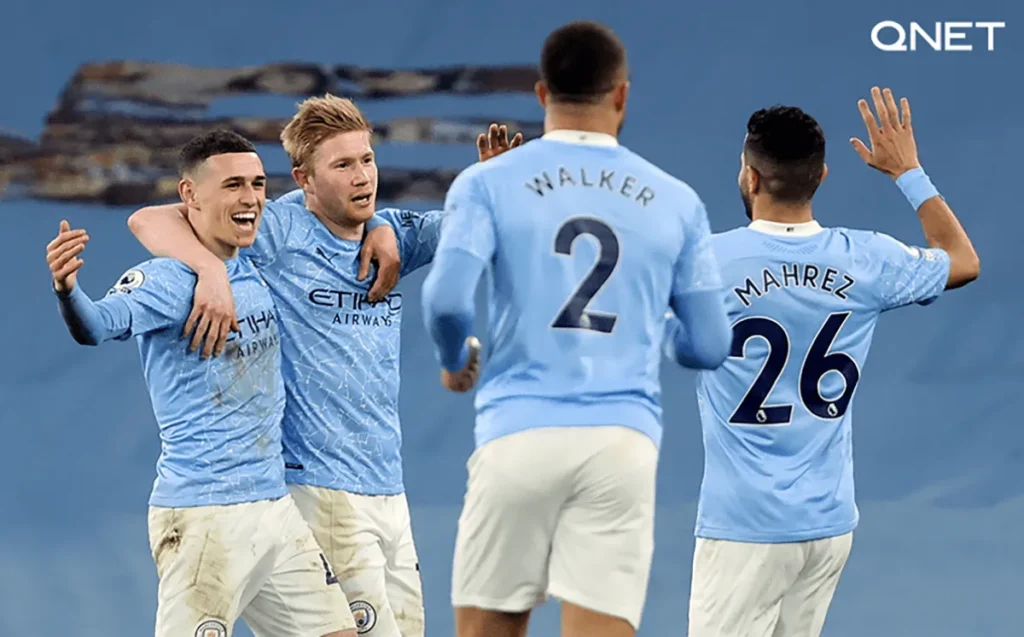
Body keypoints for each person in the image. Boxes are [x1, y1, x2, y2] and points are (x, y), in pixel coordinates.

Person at [125, 95, 521, 637]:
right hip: (320, 490)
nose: (363, 177)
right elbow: (150, 218)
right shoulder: (279, 230)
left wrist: (489, 187)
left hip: (388, 490)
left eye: (367, 160)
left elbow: (472, 226)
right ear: (304, 179)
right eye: (342, 165)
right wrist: (208, 270)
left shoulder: (395, 234)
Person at [420, 20, 732, 637]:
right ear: (621, 95)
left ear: (542, 95)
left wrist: (455, 360)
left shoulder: (486, 183)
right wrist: (655, 325)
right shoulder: (677, 200)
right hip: (621, 442)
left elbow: (448, 299)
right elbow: (711, 345)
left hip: (518, 435)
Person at [678, 89, 980, 637]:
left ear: (750, 178)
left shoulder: (705, 262)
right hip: (828, 527)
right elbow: (963, 261)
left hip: (745, 527)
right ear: (821, 177)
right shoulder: (868, 258)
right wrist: (909, 171)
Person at [45, 130, 357, 637]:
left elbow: (153, 218)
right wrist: (66, 290)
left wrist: (214, 266)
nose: (251, 198)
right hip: (205, 515)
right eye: (233, 185)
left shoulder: (251, 260)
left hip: (274, 508)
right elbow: (98, 325)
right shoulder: (167, 281)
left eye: (258, 184)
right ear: (189, 195)